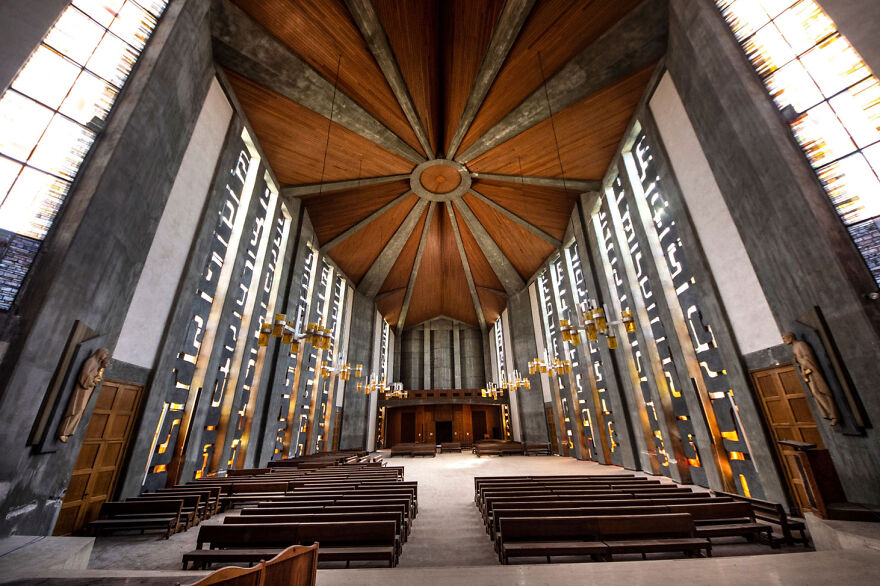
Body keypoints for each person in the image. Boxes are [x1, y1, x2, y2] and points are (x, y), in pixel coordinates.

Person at [782, 332, 839, 426]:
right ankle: (829, 414)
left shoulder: (801, 344)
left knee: (821, 391)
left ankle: (834, 415)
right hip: (807, 373)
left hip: (812, 371)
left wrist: (805, 366)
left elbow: (809, 357)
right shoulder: (794, 347)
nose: (784, 341)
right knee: (815, 393)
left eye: (785, 338)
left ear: (791, 337)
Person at [57, 348, 111, 442]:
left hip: (87, 390)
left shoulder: (96, 364)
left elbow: (96, 377)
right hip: (82, 389)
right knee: (76, 409)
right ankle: (63, 431)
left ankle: (68, 431)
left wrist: (101, 368)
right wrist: (91, 381)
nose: (105, 356)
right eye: (105, 354)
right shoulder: (91, 361)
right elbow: (84, 375)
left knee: (80, 410)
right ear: (100, 353)